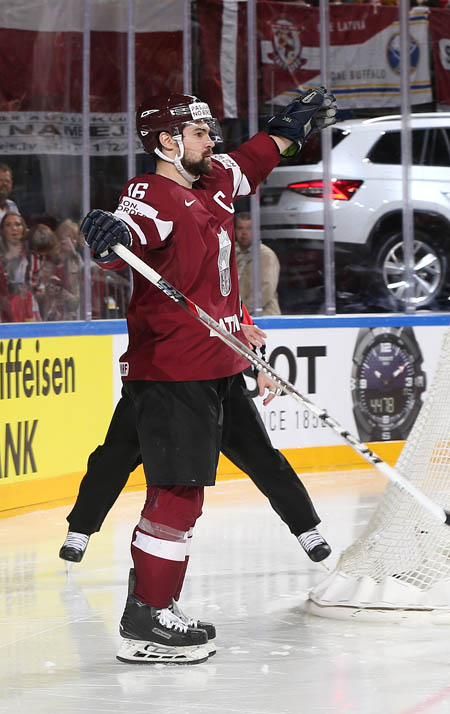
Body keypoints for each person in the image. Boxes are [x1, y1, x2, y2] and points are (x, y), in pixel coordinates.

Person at [80, 88, 336, 665]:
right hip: (174, 370)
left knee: (200, 487)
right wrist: (108, 240)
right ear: (168, 142)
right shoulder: (151, 192)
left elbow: (251, 161)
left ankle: (150, 601)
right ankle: (148, 617)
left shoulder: (213, 178)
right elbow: (129, 230)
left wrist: (286, 134)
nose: (210, 141)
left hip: (218, 363)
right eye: (198, 134)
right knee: (177, 493)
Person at [58, 322, 332, 567]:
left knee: (261, 456)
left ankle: (306, 528)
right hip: (158, 381)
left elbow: (240, 322)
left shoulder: (218, 272)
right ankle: (80, 530)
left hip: (220, 382)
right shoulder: (163, 278)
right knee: (115, 455)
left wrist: (259, 365)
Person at [234, 211, 281, 315]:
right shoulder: (230, 253)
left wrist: (241, 313)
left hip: (265, 318)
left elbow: (266, 288)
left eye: (249, 228)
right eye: (240, 228)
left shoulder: (265, 255)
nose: (244, 232)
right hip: (240, 318)